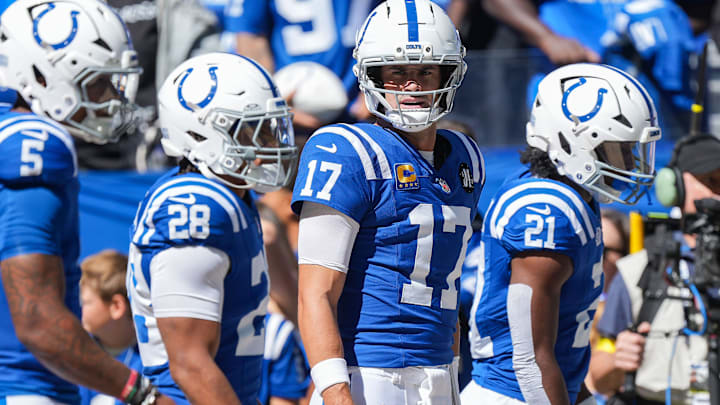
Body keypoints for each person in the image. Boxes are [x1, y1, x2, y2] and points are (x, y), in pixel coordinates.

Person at [291, 1, 484, 403]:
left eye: (425, 71)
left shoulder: (465, 156)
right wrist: (335, 391)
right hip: (368, 375)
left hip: (439, 374)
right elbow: (316, 293)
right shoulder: (345, 150)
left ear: (449, 73)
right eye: (397, 72)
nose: (412, 86)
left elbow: (445, 282)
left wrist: (450, 370)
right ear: (370, 75)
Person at [0, 0, 170, 403]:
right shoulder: (35, 143)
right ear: (41, 76)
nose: (111, 98)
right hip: (23, 388)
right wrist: (144, 395)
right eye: (97, 83)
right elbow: (38, 321)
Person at [463, 63, 661, 405]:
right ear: (574, 143)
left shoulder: (576, 196)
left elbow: (564, 346)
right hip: (514, 394)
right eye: (619, 148)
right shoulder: (545, 211)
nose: (629, 163)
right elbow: (529, 362)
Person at [127, 52, 298, 405]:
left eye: (270, 128)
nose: (269, 144)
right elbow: (190, 364)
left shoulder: (234, 198)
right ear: (200, 133)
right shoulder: (194, 205)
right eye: (252, 130)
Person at [588, 134, 720, 404]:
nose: (717, 195)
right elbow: (598, 375)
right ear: (674, 187)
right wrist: (618, 359)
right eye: (711, 182)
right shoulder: (638, 272)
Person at [223, 0, 381, 130]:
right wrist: (270, 100)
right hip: (291, 100)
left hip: (365, 101)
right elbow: (251, 35)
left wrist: (380, 84)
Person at [78, 250, 143, 405]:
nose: (78, 309)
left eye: (85, 302)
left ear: (116, 306)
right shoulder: (77, 355)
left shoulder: (151, 358)